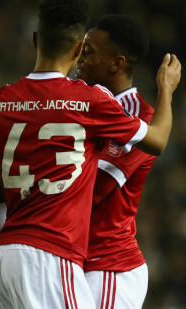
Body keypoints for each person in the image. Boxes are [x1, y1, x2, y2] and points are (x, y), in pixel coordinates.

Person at [0, 0, 181, 308]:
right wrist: (167, 89)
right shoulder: (87, 102)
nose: (85, 57)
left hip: (93, 262)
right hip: (54, 254)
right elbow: (71, 171)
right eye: (87, 48)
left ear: (36, 40)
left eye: (93, 51)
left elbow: (93, 186)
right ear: (77, 48)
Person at [76, 15, 154, 308]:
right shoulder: (80, 102)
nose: (79, 57)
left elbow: (97, 187)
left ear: (117, 64)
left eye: (89, 51)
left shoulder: (139, 117)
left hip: (109, 265)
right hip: (75, 257)